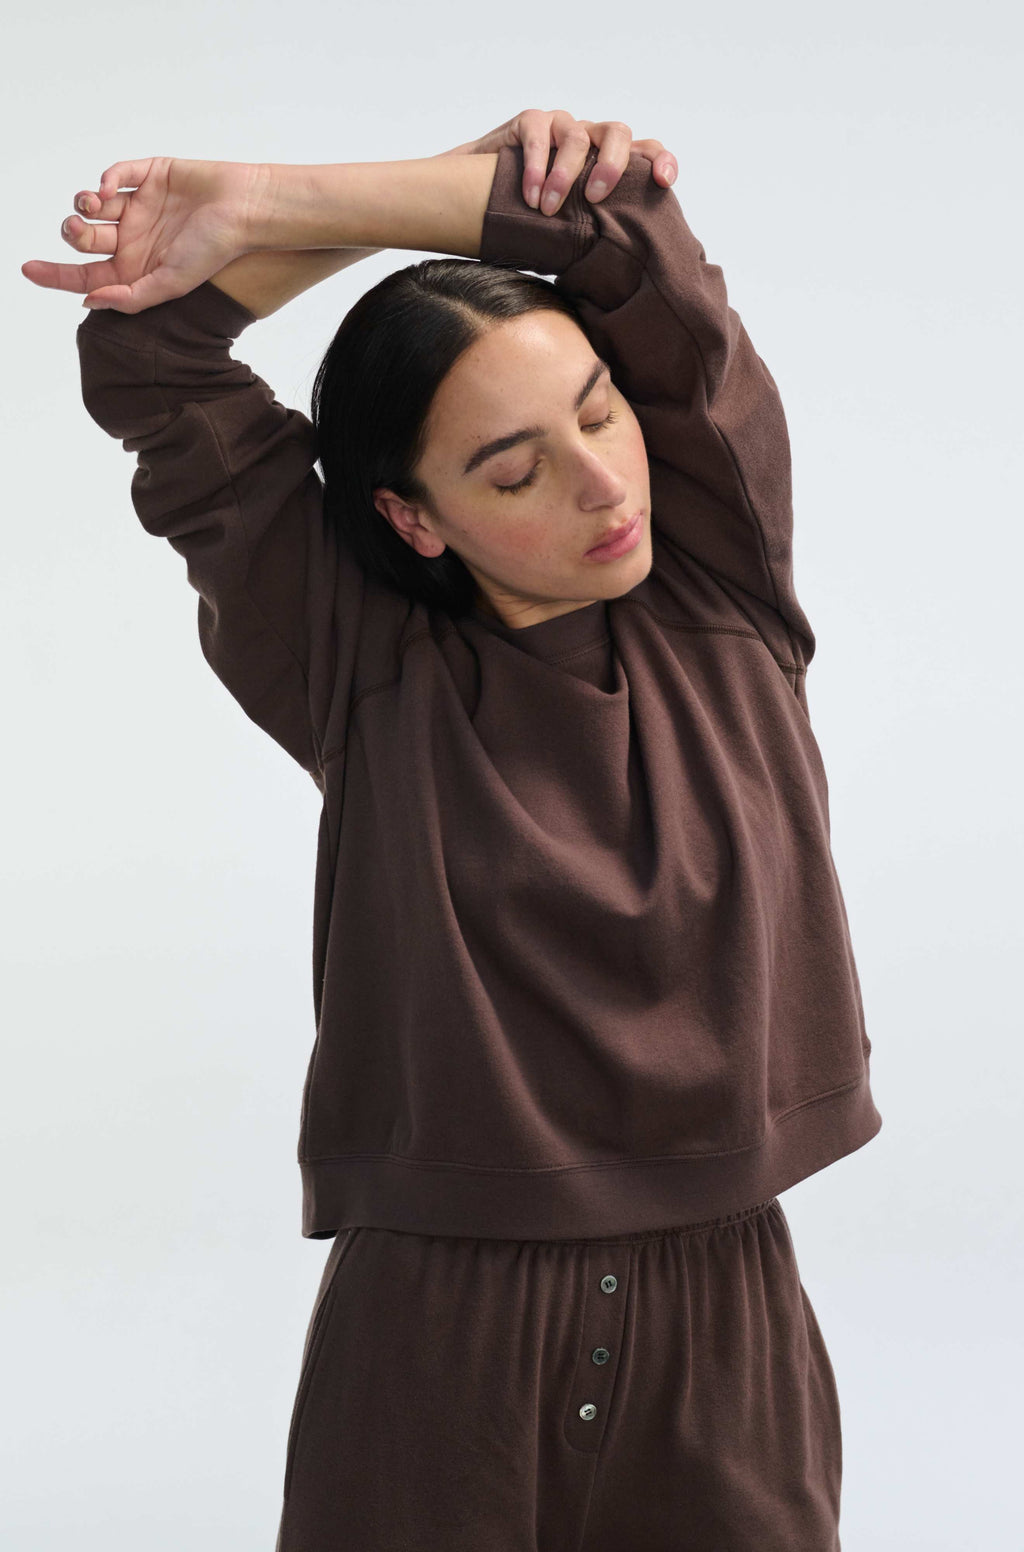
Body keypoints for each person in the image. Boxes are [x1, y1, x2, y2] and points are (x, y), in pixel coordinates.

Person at [25, 108, 882, 1550]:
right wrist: (310, 217)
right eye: (512, 469)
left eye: (598, 412)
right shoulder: (359, 668)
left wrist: (289, 197)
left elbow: (624, 229)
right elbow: (148, 359)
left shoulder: (725, 590)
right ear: (414, 520)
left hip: (725, 1329)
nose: (602, 483)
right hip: (438, 1343)